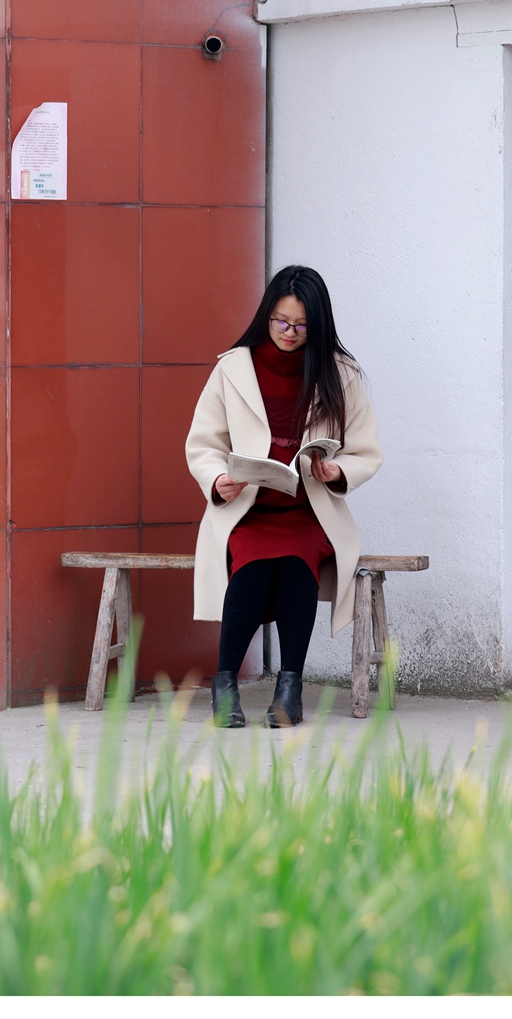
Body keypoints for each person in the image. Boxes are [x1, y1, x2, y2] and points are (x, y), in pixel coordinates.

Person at [186, 265, 383, 728]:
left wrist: (337, 471)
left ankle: (288, 690)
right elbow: (203, 443)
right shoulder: (232, 368)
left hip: (308, 511)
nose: (289, 333)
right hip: (247, 511)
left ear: (318, 326)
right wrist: (217, 480)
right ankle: (225, 684)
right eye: (280, 321)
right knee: (253, 566)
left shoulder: (341, 374)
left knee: (297, 565)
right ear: (265, 316)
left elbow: (366, 450)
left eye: (300, 326)